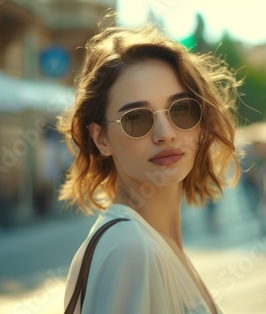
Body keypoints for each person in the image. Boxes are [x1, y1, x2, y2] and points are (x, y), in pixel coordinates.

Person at [59, 13, 241, 314]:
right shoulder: (130, 248)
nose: (166, 134)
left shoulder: (152, 241)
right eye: (136, 118)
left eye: (181, 110)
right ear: (101, 138)